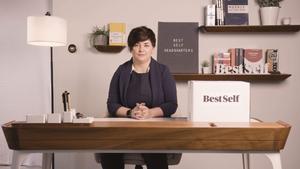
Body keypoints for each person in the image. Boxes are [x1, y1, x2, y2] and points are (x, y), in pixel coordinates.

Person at [100, 26, 178, 169]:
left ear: (153, 47)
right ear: (131, 48)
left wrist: (150, 113)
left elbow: (172, 104)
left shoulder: (163, 71)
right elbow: (112, 104)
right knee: (109, 151)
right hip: (124, 128)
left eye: (146, 45)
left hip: (154, 129)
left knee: (154, 151)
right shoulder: (121, 71)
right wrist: (131, 112)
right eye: (136, 45)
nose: (141, 49)